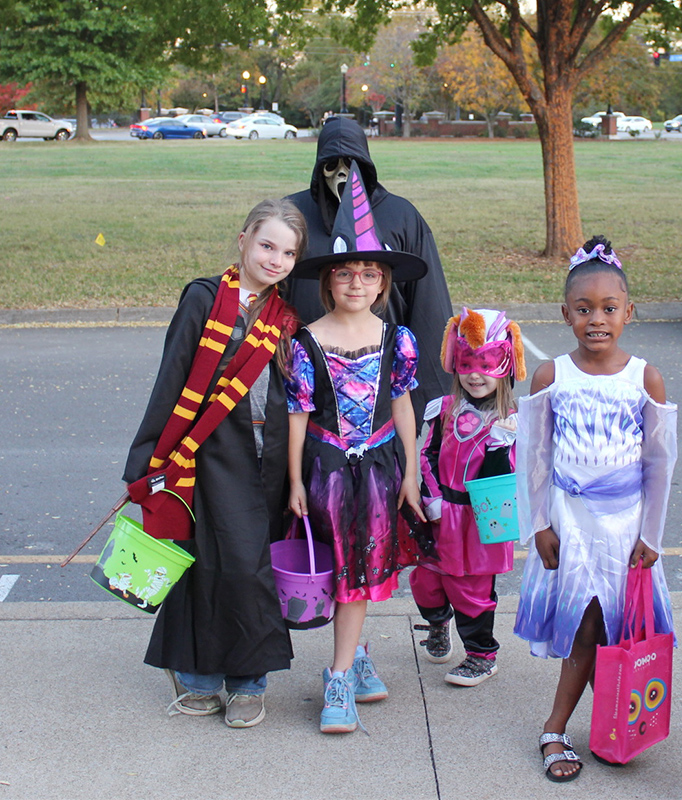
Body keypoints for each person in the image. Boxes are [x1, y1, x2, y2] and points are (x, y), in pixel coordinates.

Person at [124, 198, 305, 728]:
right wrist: (149, 458)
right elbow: (173, 376)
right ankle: (201, 678)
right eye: (267, 245)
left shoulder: (285, 315)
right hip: (205, 454)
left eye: (288, 252)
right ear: (243, 238)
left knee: (252, 568)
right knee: (204, 564)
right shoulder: (204, 298)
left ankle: (249, 681)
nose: (275, 259)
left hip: (266, 454)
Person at [513, 236, 677, 782]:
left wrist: (651, 535)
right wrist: (538, 523)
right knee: (586, 626)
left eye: (610, 309)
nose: (597, 320)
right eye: (584, 309)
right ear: (565, 313)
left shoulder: (644, 377)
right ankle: (554, 728)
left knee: (623, 631)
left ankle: (616, 727)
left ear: (629, 312)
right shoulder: (551, 377)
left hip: (625, 529)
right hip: (571, 525)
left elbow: (659, 464)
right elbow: (532, 458)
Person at [286, 161, 429, 734]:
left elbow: (402, 408)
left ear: (383, 283)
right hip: (323, 474)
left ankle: (342, 671)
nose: (355, 283)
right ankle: (349, 665)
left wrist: (412, 475)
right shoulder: (308, 342)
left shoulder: (398, 339)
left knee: (361, 573)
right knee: (340, 573)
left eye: (368, 273)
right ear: (328, 281)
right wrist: (296, 480)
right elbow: (298, 412)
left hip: (377, 475)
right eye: (344, 273)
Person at [284, 116, 451, 426]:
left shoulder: (401, 216)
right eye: (332, 164)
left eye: (352, 163)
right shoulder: (292, 216)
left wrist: (433, 404)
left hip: (382, 381)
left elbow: (429, 305)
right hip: (308, 379)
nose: (343, 173)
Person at [412, 307, 526, 686]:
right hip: (441, 512)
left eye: (487, 363)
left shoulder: (510, 423)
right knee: (426, 582)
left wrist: (499, 447)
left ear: (505, 365)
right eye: (466, 363)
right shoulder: (443, 411)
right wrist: (430, 499)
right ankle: (437, 623)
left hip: (479, 521)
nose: (475, 374)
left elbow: (505, 484)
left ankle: (481, 654)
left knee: (471, 590)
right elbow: (426, 456)